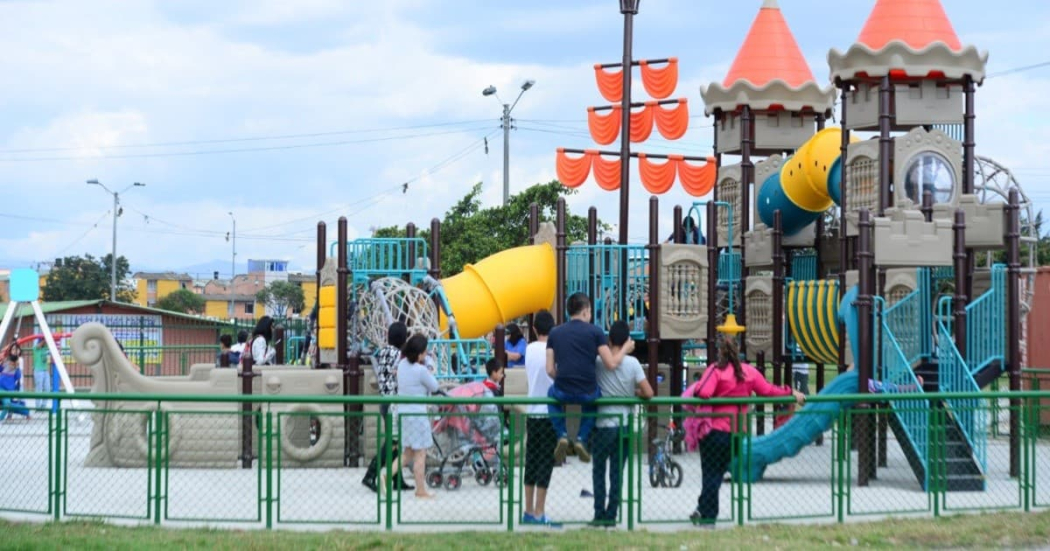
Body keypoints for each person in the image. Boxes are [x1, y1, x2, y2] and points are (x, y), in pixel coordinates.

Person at [689, 336, 805, 527]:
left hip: (714, 431)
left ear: (720, 351)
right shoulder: (748, 372)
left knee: (710, 473)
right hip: (736, 433)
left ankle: (708, 516)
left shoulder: (716, 370)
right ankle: (702, 508)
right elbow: (768, 391)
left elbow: (703, 392)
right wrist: (790, 392)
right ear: (740, 351)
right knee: (716, 473)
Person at [546, 292, 634, 464]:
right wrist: (625, 349)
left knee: (551, 394)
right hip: (587, 390)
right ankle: (581, 437)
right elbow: (610, 363)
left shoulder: (554, 333)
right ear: (586, 311)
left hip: (563, 389)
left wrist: (562, 378)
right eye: (591, 311)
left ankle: (562, 434)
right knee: (594, 402)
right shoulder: (596, 332)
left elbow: (549, 369)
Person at [592, 321, 653, 527]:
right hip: (624, 422)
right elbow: (649, 393)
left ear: (609, 340)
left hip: (602, 423)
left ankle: (598, 513)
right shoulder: (633, 363)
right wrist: (633, 393)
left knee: (599, 470)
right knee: (617, 472)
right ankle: (612, 514)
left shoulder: (599, 361)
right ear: (627, 340)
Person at [362, 321, 413, 493]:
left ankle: (397, 478)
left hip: (385, 400)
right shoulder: (398, 355)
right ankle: (370, 475)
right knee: (393, 442)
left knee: (396, 442)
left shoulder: (383, 352)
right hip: (394, 403)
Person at [388, 334, 439, 498]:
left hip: (403, 413)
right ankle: (421, 490)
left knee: (407, 453)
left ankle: (385, 475)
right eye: (425, 352)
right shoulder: (420, 370)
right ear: (419, 354)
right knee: (420, 454)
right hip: (417, 415)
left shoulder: (402, 365)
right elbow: (435, 386)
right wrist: (431, 369)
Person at [522, 310, 560, 527]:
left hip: (532, 411)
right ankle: (539, 512)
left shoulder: (529, 349)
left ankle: (528, 510)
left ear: (535, 329)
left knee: (532, 461)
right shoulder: (554, 350)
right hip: (550, 412)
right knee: (546, 463)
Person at [0, 344, 29, 421]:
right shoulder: (5, 360)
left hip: (9, 390)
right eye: (13, 349)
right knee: (7, 403)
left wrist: (17, 367)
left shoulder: (18, 362)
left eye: (16, 350)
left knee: (8, 404)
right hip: (1, 387)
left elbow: (18, 377)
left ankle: (1, 419)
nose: (14, 351)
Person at [32, 339, 52, 408]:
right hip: (38, 370)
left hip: (45, 370)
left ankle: (43, 406)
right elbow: (38, 346)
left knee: (47, 388)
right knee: (39, 388)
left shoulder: (45, 347)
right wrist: (44, 339)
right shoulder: (36, 348)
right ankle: (37, 406)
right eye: (42, 341)